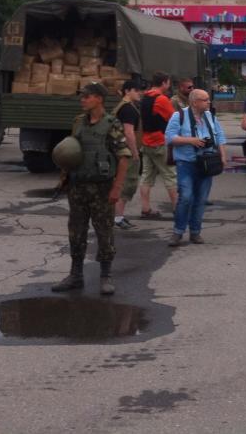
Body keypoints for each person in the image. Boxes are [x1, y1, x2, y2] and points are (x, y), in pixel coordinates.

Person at [51, 81, 131, 295]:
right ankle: (75, 275)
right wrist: (64, 178)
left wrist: (117, 188)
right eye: (82, 96)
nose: (82, 100)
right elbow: (71, 150)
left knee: (104, 232)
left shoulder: (112, 124)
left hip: (102, 188)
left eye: (87, 96)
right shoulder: (78, 122)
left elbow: (124, 157)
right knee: (76, 232)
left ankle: (105, 276)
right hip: (78, 187)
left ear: (99, 99)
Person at [165, 89, 227, 246]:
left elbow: (220, 136)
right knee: (185, 197)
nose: (208, 102)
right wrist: (190, 140)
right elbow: (169, 137)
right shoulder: (179, 116)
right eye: (205, 100)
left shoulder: (210, 116)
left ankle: (195, 232)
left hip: (206, 163)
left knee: (200, 199)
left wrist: (223, 156)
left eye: (208, 99)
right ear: (194, 102)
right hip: (186, 163)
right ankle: (178, 232)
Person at [139, 71, 178, 217]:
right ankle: (177, 208)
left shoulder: (145, 97)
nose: (169, 86)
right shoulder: (161, 99)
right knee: (170, 175)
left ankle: (145, 208)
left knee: (146, 177)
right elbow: (173, 118)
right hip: (160, 142)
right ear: (163, 83)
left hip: (146, 142)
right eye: (168, 82)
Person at [112, 80, 143, 230]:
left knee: (122, 183)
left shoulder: (124, 107)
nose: (139, 93)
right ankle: (118, 218)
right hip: (126, 151)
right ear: (127, 91)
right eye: (136, 90)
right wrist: (135, 152)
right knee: (126, 184)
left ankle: (118, 216)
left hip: (120, 150)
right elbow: (129, 133)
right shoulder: (128, 109)